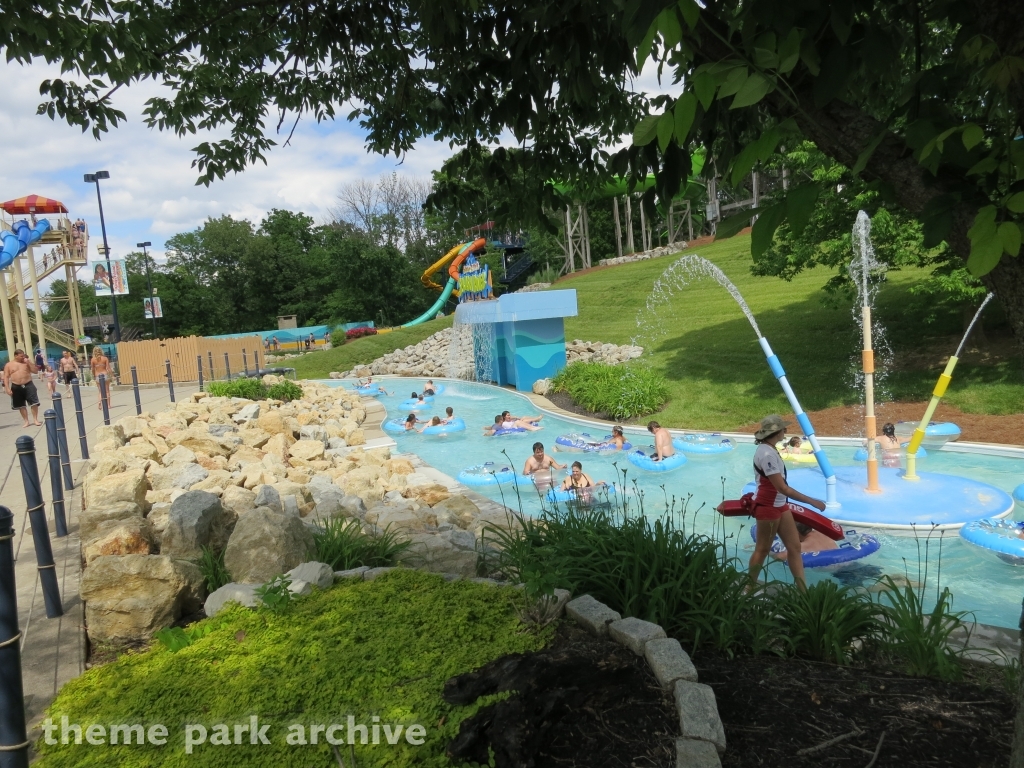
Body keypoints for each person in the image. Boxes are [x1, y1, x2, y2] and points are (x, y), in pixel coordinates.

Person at [748, 415, 827, 592]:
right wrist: (812, 501)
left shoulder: (770, 449)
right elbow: (782, 488)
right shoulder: (766, 454)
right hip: (768, 506)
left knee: (795, 547)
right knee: (762, 550)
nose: (786, 430)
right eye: (783, 428)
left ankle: (802, 590)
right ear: (776, 432)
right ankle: (748, 587)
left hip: (780, 505)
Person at [5, 350, 42, 427]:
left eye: (23, 356)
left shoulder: (26, 363)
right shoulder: (9, 365)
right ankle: (26, 421)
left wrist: (29, 363)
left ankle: (35, 419)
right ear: (16, 356)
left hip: (28, 384)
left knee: (34, 403)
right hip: (16, 386)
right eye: (21, 356)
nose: (23, 357)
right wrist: (7, 388)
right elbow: (6, 377)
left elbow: (35, 371)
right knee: (21, 405)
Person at [769, 523, 839, 562]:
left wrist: (769, 550)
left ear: (796, 532)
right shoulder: (822, 533)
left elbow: (779, 557)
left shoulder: (805, 545)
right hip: (843, 560)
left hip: (835, 571)